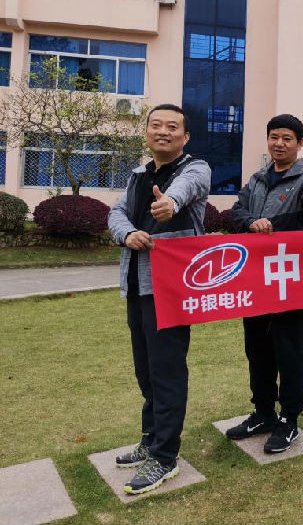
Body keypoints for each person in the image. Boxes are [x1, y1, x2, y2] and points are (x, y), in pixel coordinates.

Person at [107, 104, 211, 495]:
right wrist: (127, 234)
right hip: (137, 285)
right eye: (156, 125)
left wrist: (170, 203)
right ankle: (150, 439)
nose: (162, 131)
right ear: (147, 131)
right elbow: (117, 212)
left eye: (172, 127)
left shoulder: (195, 169)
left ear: (185, 137)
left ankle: (165, 456)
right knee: (146, 371)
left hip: (171, 290)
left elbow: (184, 192)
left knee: (167, 372)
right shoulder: (138, 175)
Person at [225, 114, 303, 452]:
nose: (279, 144)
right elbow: (236, 213)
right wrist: (251, 222)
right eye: (274, 137)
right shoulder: (256, 180)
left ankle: (289, 420)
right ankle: (264, 413)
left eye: (287, 138)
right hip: (255, 280)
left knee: (290, 351)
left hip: (289, 280)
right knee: (257, 350)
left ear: (300, 143)